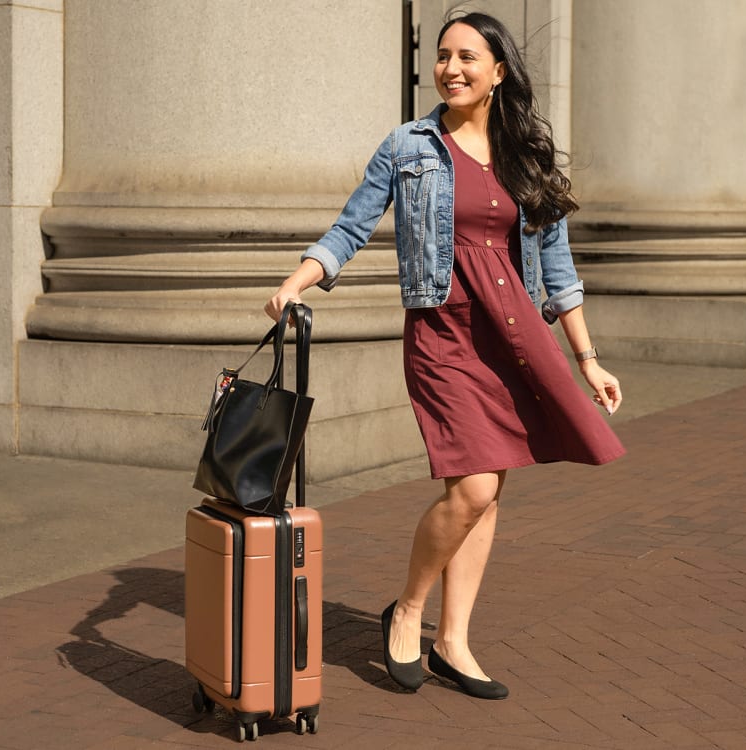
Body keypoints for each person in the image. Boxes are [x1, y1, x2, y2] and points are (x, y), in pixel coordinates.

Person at [265, 12, 624, 700]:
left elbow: (556, 264)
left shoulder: (526, 158)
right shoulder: (409, 146)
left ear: (497, 73)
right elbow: (351, 225)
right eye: (442, 57)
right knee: (475, 486)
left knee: (491, 491)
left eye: (467, 57)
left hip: (513, 334)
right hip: (444, 333)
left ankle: (454, 642)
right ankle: (407, 609)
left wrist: (588, 359)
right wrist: (299, 278)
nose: (451, 68)